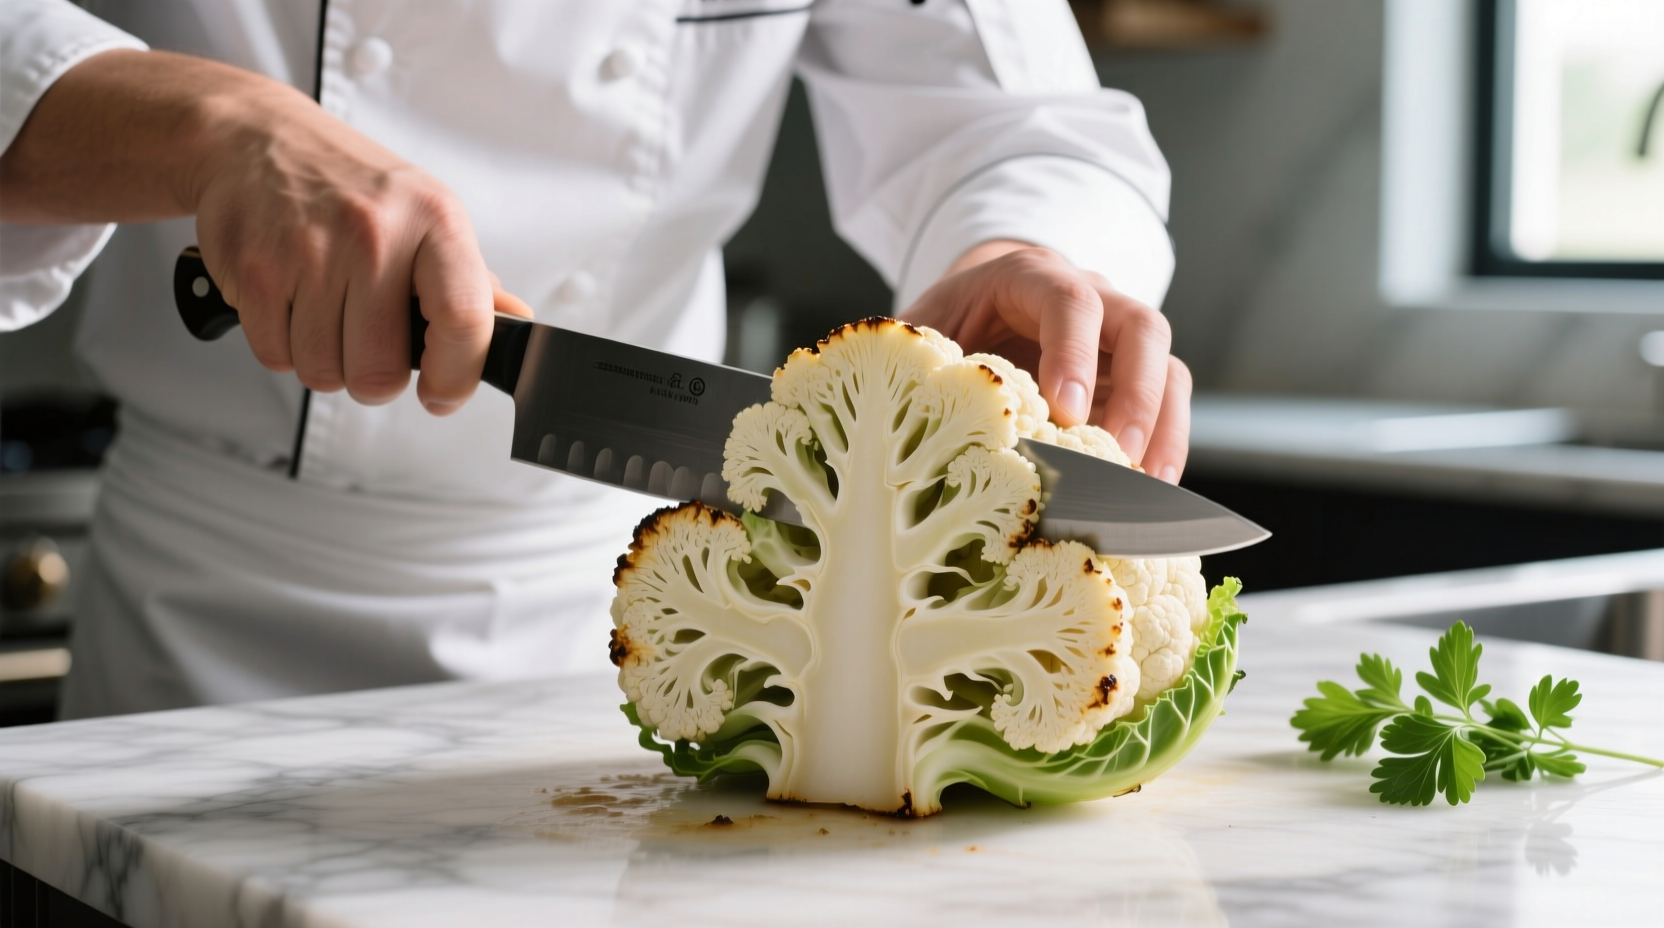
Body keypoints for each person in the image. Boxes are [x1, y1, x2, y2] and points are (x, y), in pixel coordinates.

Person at [0, 0, 1191, 718]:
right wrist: (211, 123)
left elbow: (1010, 111)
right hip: (201, 621)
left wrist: (1030, 243)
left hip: (620, 618)